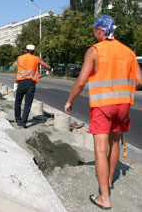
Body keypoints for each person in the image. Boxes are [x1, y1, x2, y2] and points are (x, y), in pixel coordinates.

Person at [64, 15, 142, 210]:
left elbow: (81, 82)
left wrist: (70, 100)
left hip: (102, 106)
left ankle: (104, 198)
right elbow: (139, 81)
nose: (94, 34)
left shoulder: (95, 50)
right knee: (114, 142)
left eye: (94, 31)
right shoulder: (128, 52)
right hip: (123, 105)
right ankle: (108, 181)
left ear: (100, 31)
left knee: (100, 149)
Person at [14, 44, 52, 128]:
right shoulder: (36, 58)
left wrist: (16, 83)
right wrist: (49, 69)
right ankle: (23, 123)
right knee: (28, 104)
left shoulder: (20, 58)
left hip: (21, 82)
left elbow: (17, 71)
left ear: (26, 50)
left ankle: (18, 120)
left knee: (18, 102)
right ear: (34, 51)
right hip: (31, 84)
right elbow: (47, 67)